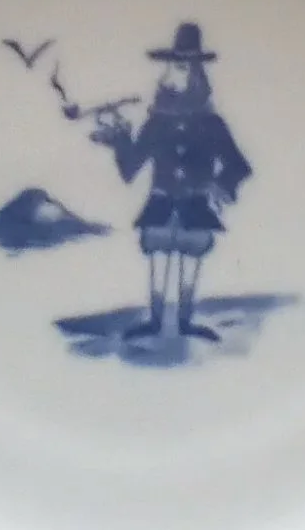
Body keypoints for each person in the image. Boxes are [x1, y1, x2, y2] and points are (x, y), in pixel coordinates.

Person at [91, 22, 252, 340]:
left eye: (181, 68)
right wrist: (119, 140)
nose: (170, 75)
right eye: (171, 67)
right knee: (159, 258)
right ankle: (154, 321)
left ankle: (185, 321)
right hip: (161, 202)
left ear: (196, 75)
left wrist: (219, 186)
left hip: (196, 204)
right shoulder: (157, 122)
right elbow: (130, 169)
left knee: (190, 260)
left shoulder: (212, 124)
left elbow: (239, 166)